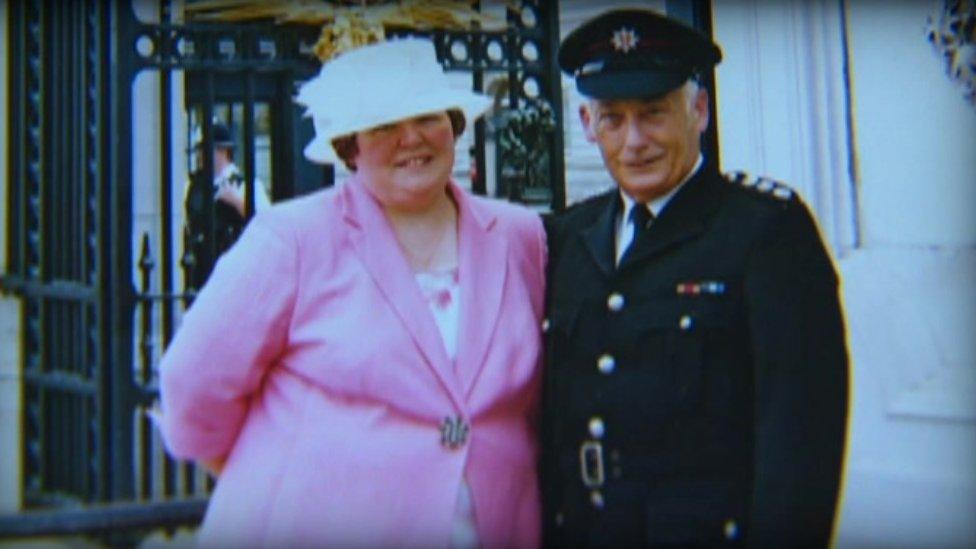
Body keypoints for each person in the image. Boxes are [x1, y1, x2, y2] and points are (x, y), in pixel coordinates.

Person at [158, 38, 546, 547]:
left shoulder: (521, 236)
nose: (412, 138)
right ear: (350, 146)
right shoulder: (292, 238)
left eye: (427, 116)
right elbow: (194, 383)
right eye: (384, 125)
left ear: (453, 125)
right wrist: (275, 470)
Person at [540, 9, 849, 547]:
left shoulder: (764, 233)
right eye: (613, 119)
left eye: (654, 113)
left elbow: (799, 443)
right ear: (589, 126)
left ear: (699, 109)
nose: (634, 141)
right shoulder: (568, 237)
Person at [183, 122, 271, 288]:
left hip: (233, 267)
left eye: (205, 150)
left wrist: (236, 201)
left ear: (223, 151)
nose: (200, 155)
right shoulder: (193, 184)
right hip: (199, 268)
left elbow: (267, 222)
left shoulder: (246, 184)